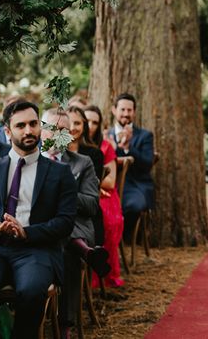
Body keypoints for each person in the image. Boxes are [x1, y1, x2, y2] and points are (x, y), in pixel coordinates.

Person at [0, 100, 77, 339]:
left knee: (32, 289)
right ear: (7, 131)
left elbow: (66, 222)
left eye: (34, 124)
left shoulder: (60, 172)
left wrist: (28, 232)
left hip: (36, 249)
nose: (28, 130)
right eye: (21, 125)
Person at [41, 108, 107, 336]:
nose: (57, 135)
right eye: (52, 129)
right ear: (42, 131)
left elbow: (91, 205)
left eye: (63, 130)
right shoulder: (29, 162)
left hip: (75, 227)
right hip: (39, 229)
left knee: (65, 251)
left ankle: (65, 326)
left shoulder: (83, 163)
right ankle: (86, 252)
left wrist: (65, 193)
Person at [84, 104, 125, 288]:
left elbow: (110, 181)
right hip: (87, 193)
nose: (90, 126)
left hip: (106, 196)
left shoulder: (105, 146)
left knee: (106, 221)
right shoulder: (70, 145)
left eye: (95, 122)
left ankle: (104, 273)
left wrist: (88, 184)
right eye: (87, 121)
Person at [106, 93, 154, 232]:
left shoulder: (145, 135)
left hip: (135, 186)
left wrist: (128, 148)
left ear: (134, 112)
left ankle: (124, 236)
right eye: (122, 110)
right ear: (114, 110)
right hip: (109, 183)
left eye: (129, 110)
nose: (126, 114)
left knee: (134, 206)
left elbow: (147, 164)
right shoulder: (106, 135)